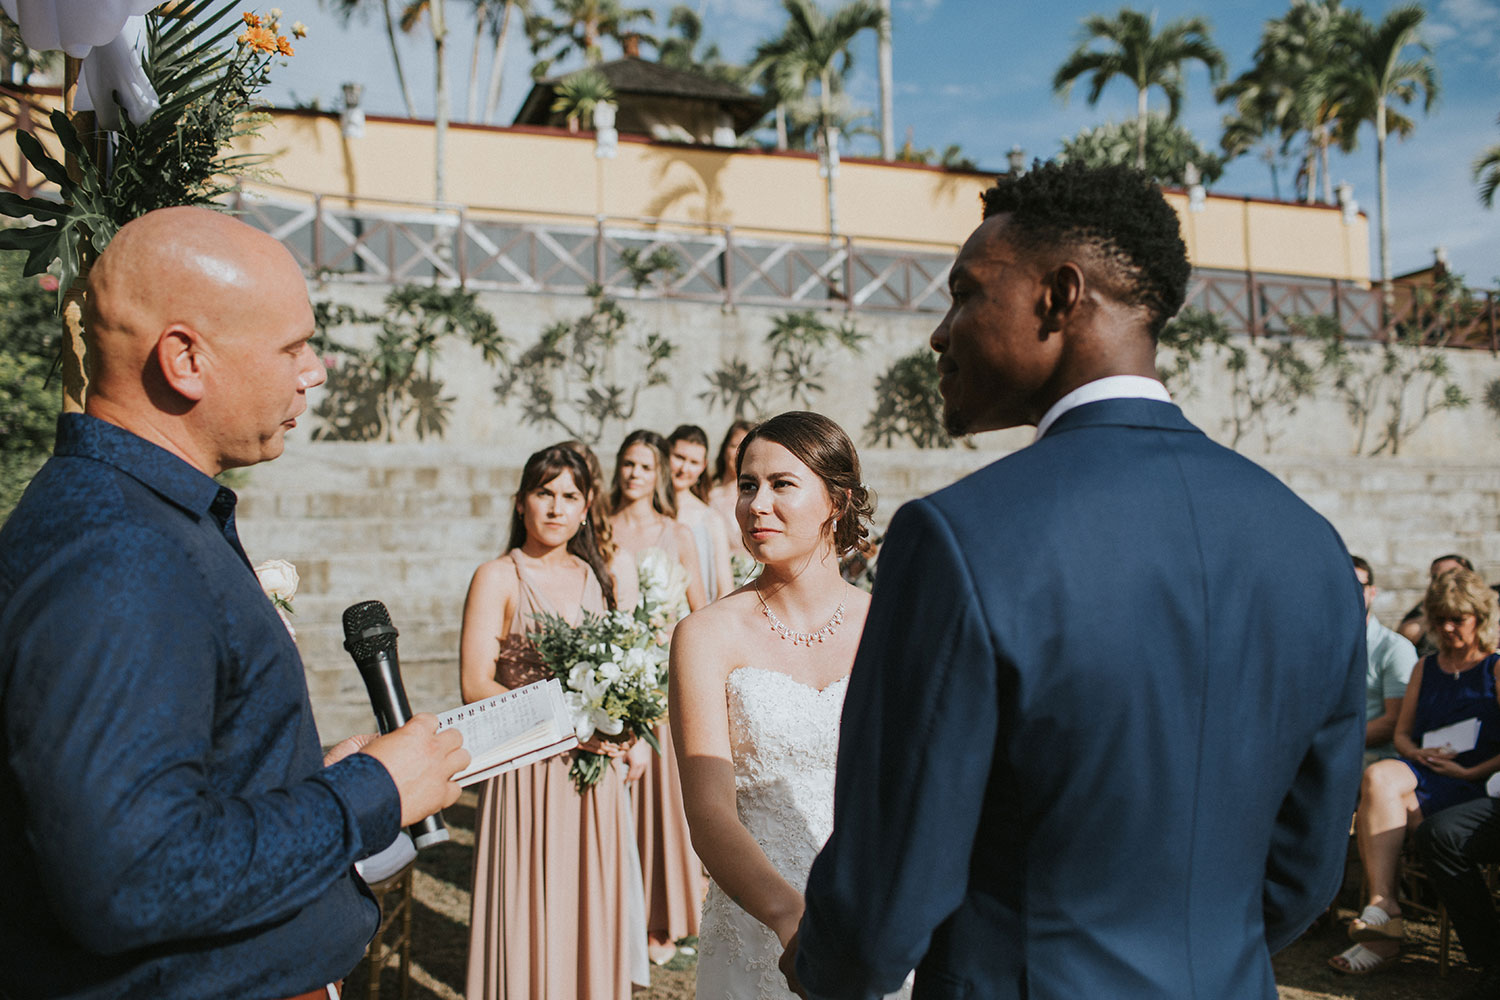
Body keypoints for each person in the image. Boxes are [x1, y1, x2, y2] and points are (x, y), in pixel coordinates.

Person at [784, 161, 1366, 1000]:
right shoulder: (1311, 545)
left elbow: (887, 885)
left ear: (1059, 297)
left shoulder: (961, 538)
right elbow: (1304, 871)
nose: (941, 334)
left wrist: (825, 966)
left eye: (965, 294)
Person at [0, 207, 468, 1000]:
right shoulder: (122, 552)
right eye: (292, 347)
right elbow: (132, 875)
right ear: (185, 359)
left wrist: (291, 782)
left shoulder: (138, 517)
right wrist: (368, 795)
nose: (313, 372)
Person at [670, 411, 907, 1000]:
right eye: (747, 485)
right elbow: (708, 812)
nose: (757, 505)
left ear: (837, 501)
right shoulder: (705, 635)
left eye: (782, 484)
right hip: (761, 924)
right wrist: (790, 919)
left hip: (876, 917)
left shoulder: (890, 627)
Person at [460, 444, 651, 1000]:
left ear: (587, 507)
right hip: (527, 768)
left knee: (588, 897)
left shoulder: (596, 574)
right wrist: (568, 725)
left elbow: (618, 669)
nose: (555, 507)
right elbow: (475, 684)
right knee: (528, 904)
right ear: (521, 502)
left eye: (569, 496)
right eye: (544, 493)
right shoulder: (497, 576)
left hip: (594, 774)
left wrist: (628, 726)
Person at [1329, 567, 1500, 975]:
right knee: (1379, 776)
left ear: (1479, 617)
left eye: (1457, 619)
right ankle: (1383, 904)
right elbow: (1402, 734)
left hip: (1476, 781)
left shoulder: (1494, 668)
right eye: (1440, 619)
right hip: (1427, 770)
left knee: (1387, 798)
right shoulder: (1426, 667)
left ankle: (1382, 936)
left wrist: (1470, 771)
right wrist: (1417, 754)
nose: (1447, 627)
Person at [608, 428, 708, 963]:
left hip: (660, 682)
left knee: (658, 804)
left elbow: (699, 610)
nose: (634, 474)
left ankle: (660, 919)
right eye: (628, 464)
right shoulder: (598, 527)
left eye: (644, 466)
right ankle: (611, 912)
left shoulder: (678, 533)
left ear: (659, 474)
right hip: (609, 677)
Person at [1354, 555, 1418, 763]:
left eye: (1357, 586)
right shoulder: (1316, 645)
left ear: (1372, 592)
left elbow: (1395, 722)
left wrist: (1331, 743)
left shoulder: (1394, 648)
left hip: (1371, 756)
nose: (1349, 592)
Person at [667, 423, 735, 602]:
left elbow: (725, 589)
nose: (684, 469)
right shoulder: (648, 509)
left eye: (694, 462)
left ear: (703, 466)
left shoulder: (710, 518)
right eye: (679, 457)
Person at [1399, 553, 1476, 654]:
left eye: (1450, 574)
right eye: (1435, 577)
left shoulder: (1488, 607)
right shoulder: (1422, 613)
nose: (1447, 627)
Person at [708, 420, 755, 561]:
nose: (738, 453)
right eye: (734, 446)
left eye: (745, 447)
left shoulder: (758, 498)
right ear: (724, 450)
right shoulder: (707, 497)